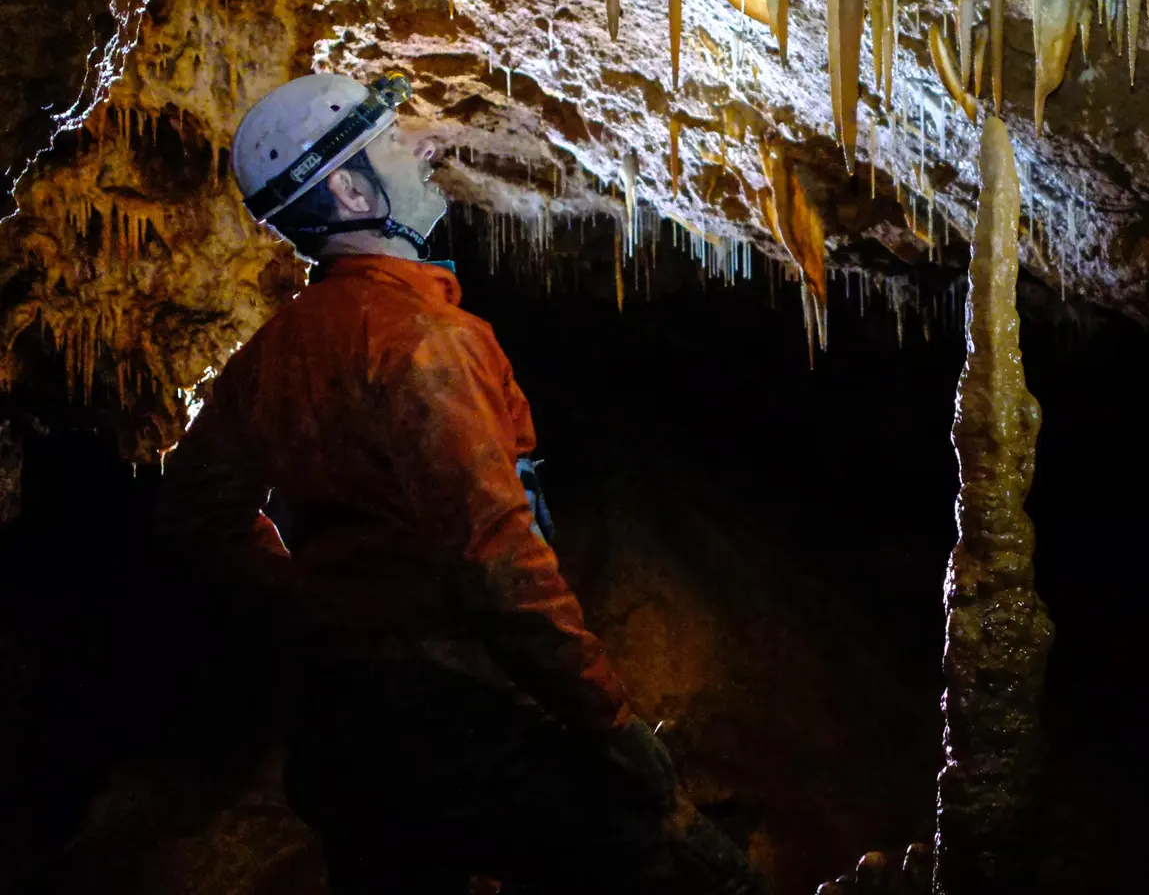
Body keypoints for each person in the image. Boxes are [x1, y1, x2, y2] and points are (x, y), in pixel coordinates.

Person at [156, 72, 758, 895]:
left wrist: (318, 601)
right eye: (395, 143)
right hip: (450, 714)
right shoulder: (426, 344)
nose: (426, 149)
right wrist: (609, 721)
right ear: (346, 188)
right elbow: (496, 560)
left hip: (338, 729)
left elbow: (195, 509)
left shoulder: (271, 353)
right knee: (668, 866)